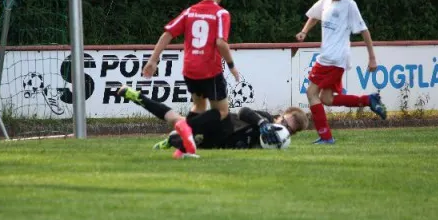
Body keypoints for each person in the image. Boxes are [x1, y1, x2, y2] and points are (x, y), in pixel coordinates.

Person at [141, 0, 240, 157]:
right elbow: (221, 43)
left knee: (199, 107)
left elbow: (168, 33)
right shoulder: (221, 14)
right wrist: (232, 66)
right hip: (209, 70)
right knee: (221, 112)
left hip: (190, 70)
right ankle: (183, 128)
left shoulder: (190, 12)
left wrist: (153, 60)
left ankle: (183, 145)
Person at [295, 0, 386, 144]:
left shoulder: (350, 5)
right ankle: (369, 100)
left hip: (334, 59)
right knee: (326, 99)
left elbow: (364, 30)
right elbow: (315, 16)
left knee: (311, 93)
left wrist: (372, 58)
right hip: (329, 57)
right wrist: (304, 31)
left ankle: (326, 137)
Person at [118, 86, 308, 156]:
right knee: (176, 120)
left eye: (289, 130)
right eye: (284, 123)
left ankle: (172, 140)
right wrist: (263, 124)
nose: (283, 129)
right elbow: (244, 111)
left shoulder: (277, 144)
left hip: (219, 144)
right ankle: (137, 96)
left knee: (180, 139)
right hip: (219, 124)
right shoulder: (265, 118)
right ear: (280, 116)